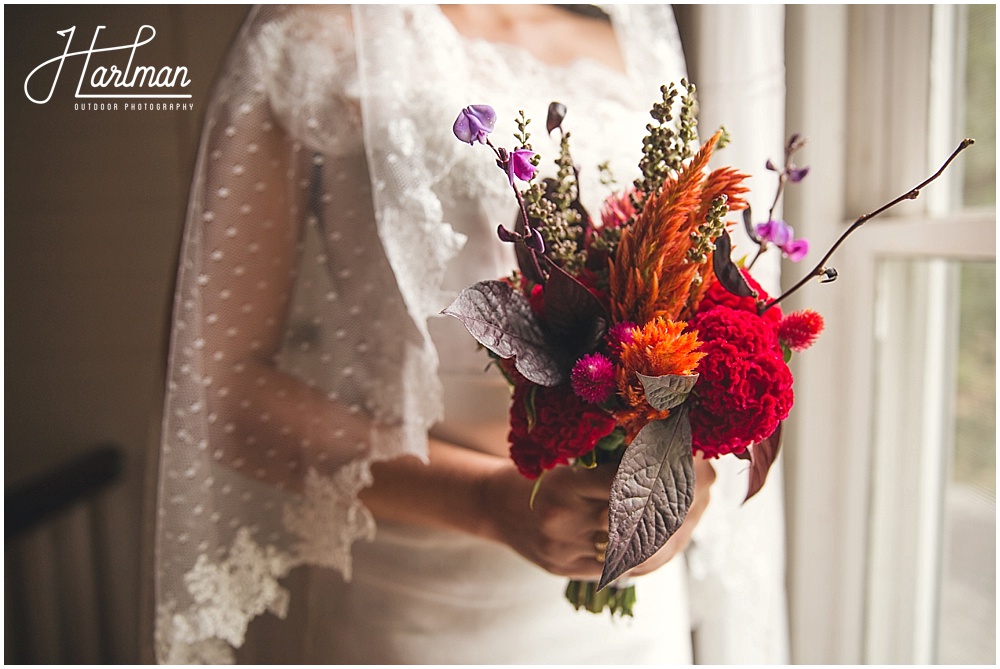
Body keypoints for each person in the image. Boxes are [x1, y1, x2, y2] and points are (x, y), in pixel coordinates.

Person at [154, 5, 715, 663]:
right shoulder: (314, 35)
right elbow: (212, 383)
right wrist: (484, 500)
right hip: (422, 606)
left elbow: (687, 301)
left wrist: (685, 466)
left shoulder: (627, 41)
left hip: (634, 614)